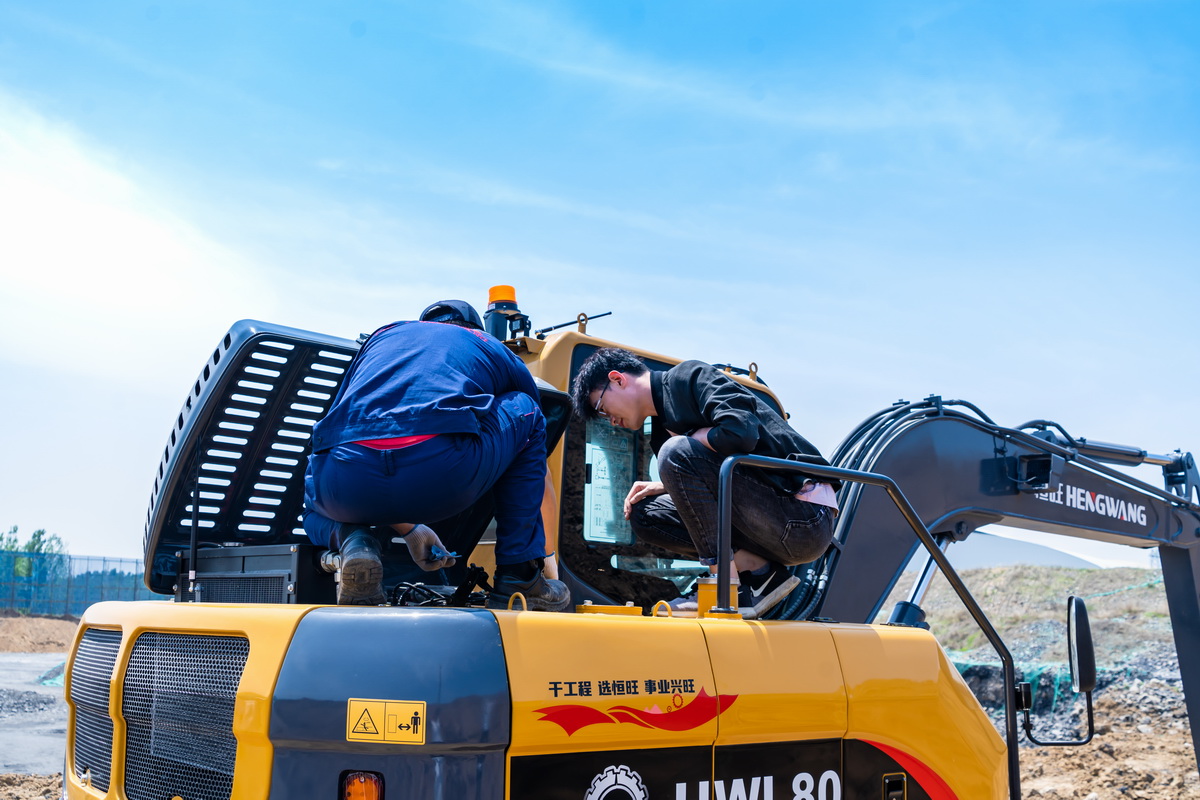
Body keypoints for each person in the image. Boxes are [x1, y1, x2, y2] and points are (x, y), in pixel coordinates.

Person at [302, 299, 570, 611]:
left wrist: (411, 530)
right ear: (473, 328)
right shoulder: (487, 344)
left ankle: (354, 541)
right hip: (442, 477)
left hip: (342, 485)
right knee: (528, 412)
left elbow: (350, 429)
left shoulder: (383, 336)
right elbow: (533, 448)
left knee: (313, 511)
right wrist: (545, 559)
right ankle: (518, 576)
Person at [570, 347, 839, 618]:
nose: (611, 421)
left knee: (675, 452)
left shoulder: (689, 377)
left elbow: (742, 431)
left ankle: (724, 587)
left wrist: (688, 443)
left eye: (602, 409)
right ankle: (758, 574)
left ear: (617, 379)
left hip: (804, 517)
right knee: (645, 512)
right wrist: (665, 485)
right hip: (767, 521)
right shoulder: (661, 430)